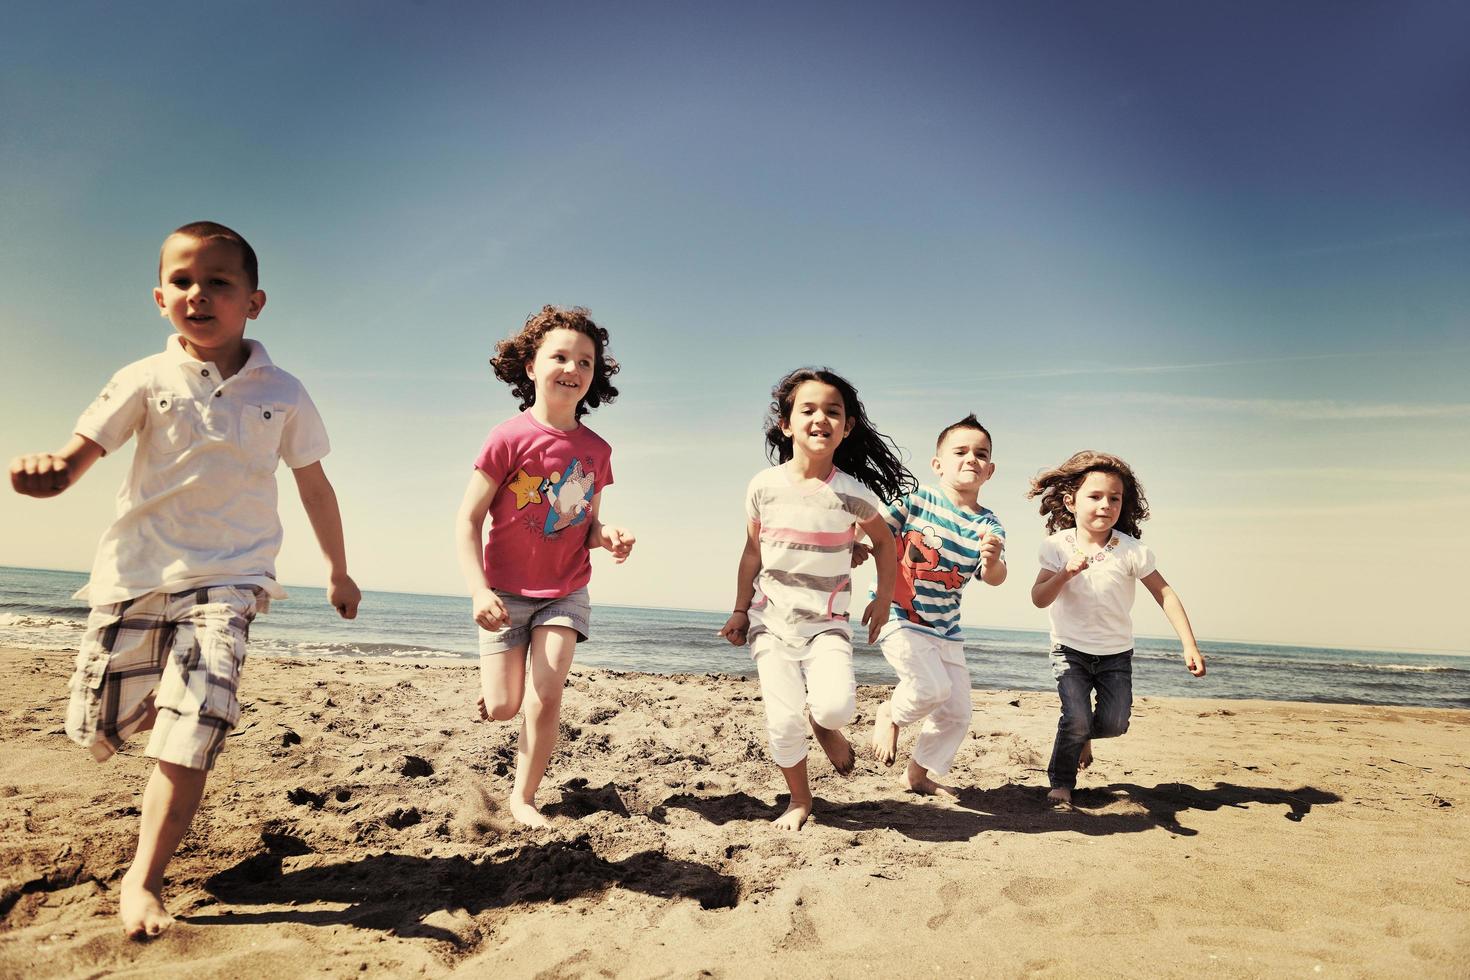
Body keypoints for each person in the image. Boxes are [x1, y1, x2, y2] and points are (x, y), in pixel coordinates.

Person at [8, 221, 361, 938]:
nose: (198, 294)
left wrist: (338, 570)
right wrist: (52, 475)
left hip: (232, 580)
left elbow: (314, 487)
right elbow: (83, 453)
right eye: (182, 281)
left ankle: (144, 880)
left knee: (194, 724)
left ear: (254, 302)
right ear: (159, 295)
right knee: (106, 718)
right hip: (136, 573)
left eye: (218, 282)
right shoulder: (143, 376)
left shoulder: (284, 391)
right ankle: (143, 748)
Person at [454, 305, 634, 828]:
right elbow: (466, 521)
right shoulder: (506, 438)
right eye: (560, 356)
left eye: (585, 360)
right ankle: (494, 692)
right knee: (506, 705)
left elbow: (589, 525)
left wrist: (611, 537)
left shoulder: (596, 451)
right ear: (530, 366)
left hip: (564, 591)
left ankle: (524, 797)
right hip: (504, 594)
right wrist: (477, 591)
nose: (572, 368)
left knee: (547, 694)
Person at [717, 367, 911, 831]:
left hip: (827, 623)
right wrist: (741, 609)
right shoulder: (763, 486)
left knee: (835, 708)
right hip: (771, 622)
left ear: (846, 428)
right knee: (783, 722)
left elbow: (885, 544)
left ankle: (824, 728)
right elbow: (752, 552)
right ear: (786, 424)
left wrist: (883, 600)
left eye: (833, 412)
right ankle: (800, 799)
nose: (820, 418)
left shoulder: (852, 494)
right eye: (808, 409)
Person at [1027, 450, 1206, 809]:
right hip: (1069, 650)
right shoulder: (1057, 547)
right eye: (1094, 496)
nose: (1105, 504)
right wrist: (1065, 574)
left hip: (1115, 654)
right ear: (1071, 501)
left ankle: (1082, 736)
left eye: (1114, 498)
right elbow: (1039, 598)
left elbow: (1165, 594)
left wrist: (1189, 644)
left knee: (1114, 723)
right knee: (1075, 716)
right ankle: (1062, 782)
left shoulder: (1131, 551)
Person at [864, 414, 1006, 795]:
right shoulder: (917, 499)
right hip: (900, 613)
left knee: (958, 712)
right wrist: (858, 551)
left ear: (990, 470)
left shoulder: (989, 524)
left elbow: (994, 578)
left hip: (946, 628)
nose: (971, 459)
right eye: (960, 451)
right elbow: (875, 532)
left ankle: (917, 774)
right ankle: (890, 713)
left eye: (981, 454)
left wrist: (992, 561)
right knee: (929, 688)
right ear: (938, 463)